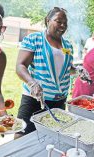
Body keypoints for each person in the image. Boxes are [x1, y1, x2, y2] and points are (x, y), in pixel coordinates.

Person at [15, 7, 74, 137]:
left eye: (65, 23)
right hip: (35, 98)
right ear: (48, 20)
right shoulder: (34, 39)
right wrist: (32, 83)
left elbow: (66, 68)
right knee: (22, 136)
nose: (63, 25)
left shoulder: (68, 46)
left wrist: (79, 71)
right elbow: (20, 66)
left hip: (59, 100)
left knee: (51, 136)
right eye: (59, 21)